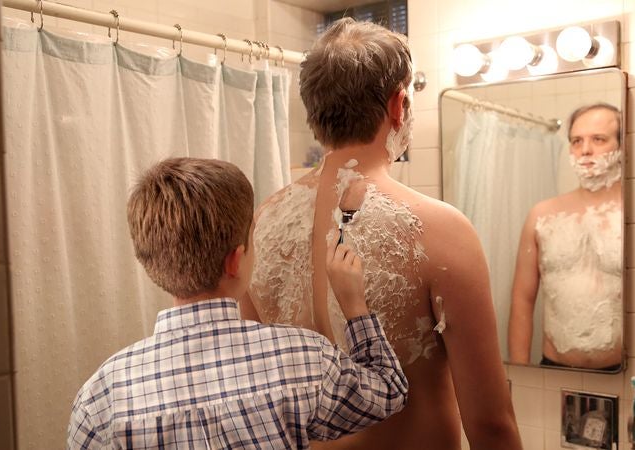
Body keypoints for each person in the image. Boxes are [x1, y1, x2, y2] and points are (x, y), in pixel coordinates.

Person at [247, 18, 521, 450]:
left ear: (313, 108)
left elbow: (253, 387)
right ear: (398, 105)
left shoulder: (262, 221)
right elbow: (490, 424)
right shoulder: (438, 229)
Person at [66, 157, 408, 449]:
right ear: (236, 260)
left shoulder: (101, 399)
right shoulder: (302, 361)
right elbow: (388, 391)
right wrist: (354, 307)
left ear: (148, 261)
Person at [508, 103, 623, 371]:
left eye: (599, 139)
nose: (585, 150)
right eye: (576, 141)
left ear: (621, 147)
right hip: (553, 366)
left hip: (621, 371)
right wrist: (520, 374)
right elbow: (522, 300)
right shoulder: (542, 215)